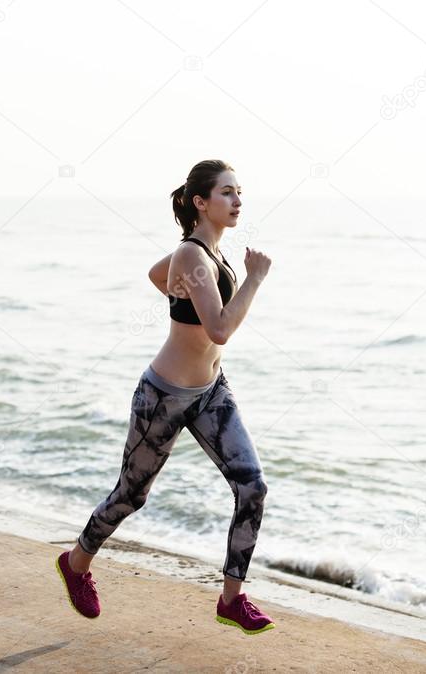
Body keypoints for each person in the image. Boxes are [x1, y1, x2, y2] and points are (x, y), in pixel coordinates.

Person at [56, 160, 274, 634]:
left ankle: (231, 599)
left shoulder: (207, 255)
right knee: (131, 496)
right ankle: (75, 564)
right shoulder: (194, 255)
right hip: (163, 397)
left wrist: (179, 291)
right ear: (201, 202)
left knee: (252, 486)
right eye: (227, 193)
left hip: (212, 391)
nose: (237, 202)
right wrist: (255, 278)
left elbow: (159, 275)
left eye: (239, 193)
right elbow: (219, 328)